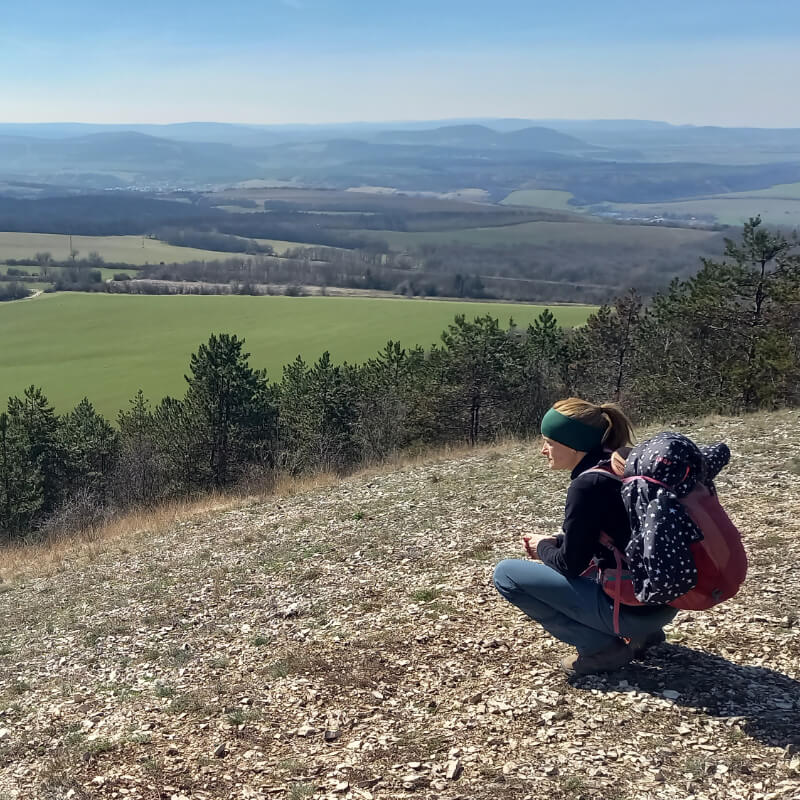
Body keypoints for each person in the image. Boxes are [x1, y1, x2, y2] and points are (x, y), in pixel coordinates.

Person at [493, 397, 677, 675]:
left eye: (549, 442)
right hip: (664, 603)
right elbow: (614, 535)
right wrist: (558, 539)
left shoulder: (588, 485)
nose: (543, 450)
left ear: (573, 444)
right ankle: (646, 636)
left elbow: (571, 565)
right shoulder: (623, 465)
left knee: (506, 573)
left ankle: (600, 648)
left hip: (631, 613)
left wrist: (542, 546)